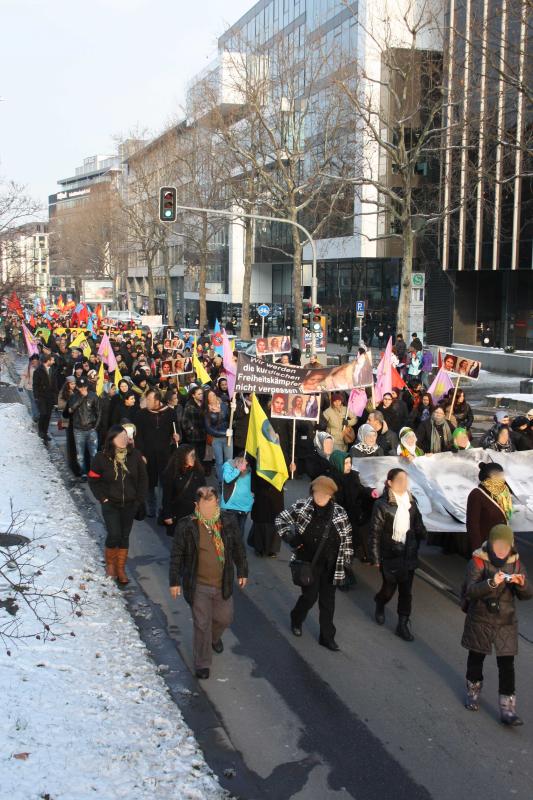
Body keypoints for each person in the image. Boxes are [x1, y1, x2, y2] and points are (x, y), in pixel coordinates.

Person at [169, 486, 248, 680]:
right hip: (199, 585)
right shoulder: (187, 526)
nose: (208, 512)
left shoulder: (228, 522)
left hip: (223, 583)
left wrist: (242, 570)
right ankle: (202, 663)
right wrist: (174, 581)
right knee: (201, 624)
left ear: (217, 504)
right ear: (197, 505)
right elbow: (177, 555)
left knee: (224, 618)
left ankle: (213, 638)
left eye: (212, 507)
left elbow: (238, 547)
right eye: (204, 508)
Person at [461, 524, 532, 725]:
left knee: (507, 665)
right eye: (498, 545)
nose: (502, 550)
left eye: (505, 546)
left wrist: (522, 584)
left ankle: (508, 709)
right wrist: (491, 583)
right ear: (491, 544)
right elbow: (470, 591)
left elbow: (527, 595)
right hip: (481, 618)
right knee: (476, 657)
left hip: (506, 622)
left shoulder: (516, 563)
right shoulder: (478, 561)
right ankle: (473, 693)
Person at [275, 476, 353, 651]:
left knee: (328, 602)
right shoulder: (302, 507)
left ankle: (327, 637)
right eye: (317, 492)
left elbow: (347, 540)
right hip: (308, 564)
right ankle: (296, 618)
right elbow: (280, 520)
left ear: (331, 496)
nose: (320, 497)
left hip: (331, 565)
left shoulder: (340, 513)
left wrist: (346, 564)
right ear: (312, 491)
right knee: (310, 597)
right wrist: (290, 537)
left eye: (324, 494)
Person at [369, 468, 427, 641]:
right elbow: (375, 532)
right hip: (390, 553)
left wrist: (422, 532)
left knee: (406, 591)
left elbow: (418, 523)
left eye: (405, 480)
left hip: (409, 552)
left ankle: (402, 624)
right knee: (389, 588)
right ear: (390, 483)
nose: (403, 484)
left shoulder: (412, 502)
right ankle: (380, 602)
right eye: (399, 480)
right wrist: (375, 558)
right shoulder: (382, 504)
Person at [88, 425, 148, 585]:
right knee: (114, 534)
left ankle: (120, 568)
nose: (123, 440)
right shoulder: (101, 458)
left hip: (130, 504)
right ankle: (110, 566)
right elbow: (93, 479)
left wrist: (138, 500)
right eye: (119, 437)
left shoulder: (135, 455)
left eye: (125, 436)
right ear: (112, 439)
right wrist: (103, 498)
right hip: (111, 504)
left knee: (124, 536)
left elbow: (143, 479)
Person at [136, 388, 180, 517]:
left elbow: (176, 431)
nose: (147, 402)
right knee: (149, 482)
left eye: (149, 399)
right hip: (147, 454)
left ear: (157, 401)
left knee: (164, 482)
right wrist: (141, 453)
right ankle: (151, 507)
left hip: (165, 454)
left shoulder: (170, 413)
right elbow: (138, 436)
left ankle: (162, 508)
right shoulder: (141, 414)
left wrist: (177, 436)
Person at [329, 450, 378, 562]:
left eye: (350, 462)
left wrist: (370, 492)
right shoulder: (331, 479)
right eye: (346, 463)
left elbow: (360, 490)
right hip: (338, 517)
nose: (349, 466)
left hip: (352, 513)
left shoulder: (353, 476)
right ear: (338, 463)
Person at [466, 462, 513, 554]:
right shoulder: (477, 494)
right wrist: (478, 549)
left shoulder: (503, 495)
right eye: (498, 476)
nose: (502, 479)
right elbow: (472, 524)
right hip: (486, 548)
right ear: (489, 477)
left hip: (504, 546)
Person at [161, 444, 205, 537]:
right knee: (179, 543)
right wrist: (167, 514)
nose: (194, 458)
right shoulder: (171, 473)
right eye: (191, 455)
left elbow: (204, 492)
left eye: (194, 455)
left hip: (195, 513)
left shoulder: (198, 471)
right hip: (178, 514)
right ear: (183, 457)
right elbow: (167, 496)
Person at [67, 376, 100, 479]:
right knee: (80, 455)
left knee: (93, 454)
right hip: (78, 430)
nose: (83, 389)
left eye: (84, 386)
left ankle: (93, 472)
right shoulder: (73, 397)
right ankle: (83, 472)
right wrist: (82, 397)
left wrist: (95, 427)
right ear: (77, 387)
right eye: (81, 387)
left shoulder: (93, 396)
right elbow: (71, 409)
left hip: (91, 429)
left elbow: (99, 412)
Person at [220, 456, 254, 538]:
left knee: (240, 530)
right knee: (230, 530)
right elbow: (227, 479)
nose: (244, 465)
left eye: (246, 462)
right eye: (242, 461)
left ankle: (239, 549)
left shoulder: (251, 469)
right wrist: (238, 469)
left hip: (245, 506)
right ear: (237, 461)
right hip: (231, 505)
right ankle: (229, 548)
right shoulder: (228, 465)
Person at [205, 390, 232, 483]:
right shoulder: (207, 411)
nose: (213, 397)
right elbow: (209, 429)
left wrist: (233, 409)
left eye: (213, 394)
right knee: (219, 461)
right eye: (210, 396)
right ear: (207, 399)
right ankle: (221, 482)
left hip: (228, 438)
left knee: (228, 460)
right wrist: (224, 433)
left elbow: (230, 418)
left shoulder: (223, 405)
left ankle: (228, 481)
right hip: (216, 439)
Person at [32, 353, 57, 442]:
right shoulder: (38, 371)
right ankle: (41, 431)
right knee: (43, 413)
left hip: (50, 397)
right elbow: (35, 385)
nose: (54, 362)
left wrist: (55, 398)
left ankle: (45, 432)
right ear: (48, 360)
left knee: (48, 415)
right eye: (52, 360)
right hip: (42, 396)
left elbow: (55, 385)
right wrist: (36, 396)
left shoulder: (52, 370)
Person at [182, 385, 207, 463]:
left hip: (203, 434)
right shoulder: (189, 405)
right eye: (199, 394)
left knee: (202, 455)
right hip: (194, 436)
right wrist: (191, 430)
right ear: (193, 395)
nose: (201, 395)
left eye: (202, 393)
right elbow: (184, 421)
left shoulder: (204, 404)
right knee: (194, 457)